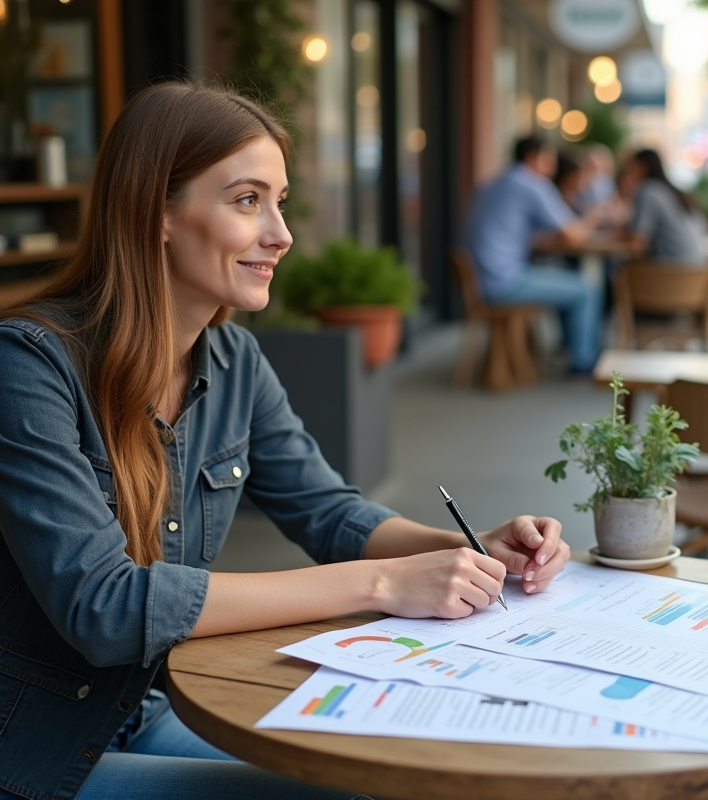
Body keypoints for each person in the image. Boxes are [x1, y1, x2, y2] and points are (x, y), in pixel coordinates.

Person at [0, 83, 571, 800]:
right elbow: (104, 608)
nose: (282, 233)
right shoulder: (29, 366)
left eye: (280, 201)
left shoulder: (235, 363)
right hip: (30, 749)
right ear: (159, 213)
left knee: (398, 777)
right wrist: (386, 585)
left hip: (135, 710)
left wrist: (467, 549)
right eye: (247, 200)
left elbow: (329, 514)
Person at [465, 135, 602, 372]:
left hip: (476, 280)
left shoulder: (494, 182)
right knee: (586, 288)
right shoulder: (531, 183)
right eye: (548, 159)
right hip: (504, 282)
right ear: (532, 158)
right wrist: (594, 217)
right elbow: (573, 234)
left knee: (565, 279)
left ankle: (569, 347)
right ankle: (583, 362)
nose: (553, 166)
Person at [621, 148, 707, 263]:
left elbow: (637, 240)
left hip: (669, 274)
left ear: (642, 167)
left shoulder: (649, 190)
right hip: (696, 274)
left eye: (631, 168)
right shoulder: (674, 192)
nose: (628, 172)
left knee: (618, 270)